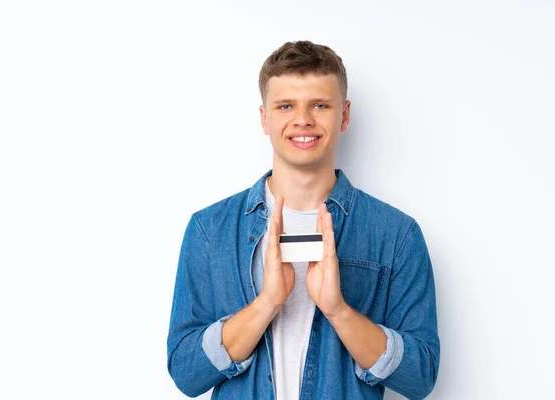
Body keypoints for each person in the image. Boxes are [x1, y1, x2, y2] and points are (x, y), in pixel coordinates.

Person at [167, 40, 440, 400]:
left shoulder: (396, 235)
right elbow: (187, 374)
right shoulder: (209, 230)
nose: (303, 120)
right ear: (265, 118)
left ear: (344, 116)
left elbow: (419, 378)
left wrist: (338, 310)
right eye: (285, 106)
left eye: (320, 105)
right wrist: (266, 303)